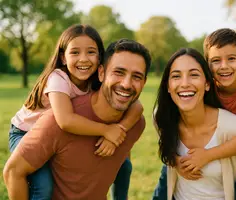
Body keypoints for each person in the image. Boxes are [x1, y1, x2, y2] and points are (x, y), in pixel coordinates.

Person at [3, 38, 151, 200]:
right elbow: (13, 172)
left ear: (144, 82)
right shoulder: (57, 120)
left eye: (137, 76)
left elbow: (119, 161)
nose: (127, 84)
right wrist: (106, 130)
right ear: (101, 73)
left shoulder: (135, 124)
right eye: (119, 72)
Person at [152, 28, 236, 200]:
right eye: (216, 60)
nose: (224, 66)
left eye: (231, 59)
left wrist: (207, 155)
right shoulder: (205, 89)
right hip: (231, 136)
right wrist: (174, 160)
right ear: (207, 66)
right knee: (163, 184)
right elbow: (166, 134)